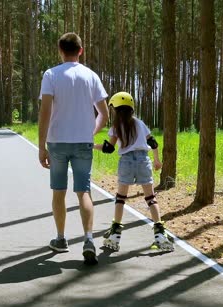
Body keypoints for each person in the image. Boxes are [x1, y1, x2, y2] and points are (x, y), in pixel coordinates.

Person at [38, 32, 109, 265]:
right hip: (83, 142)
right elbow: (104, 114)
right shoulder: (91, 76)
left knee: (59, 191)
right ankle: (89, 239)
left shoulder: (51, 75)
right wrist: (92, 131)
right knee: (84, 192)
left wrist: (41, 146)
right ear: (81, 50)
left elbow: (45, 111)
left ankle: (61, 239)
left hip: (57, 141)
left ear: (60, 50)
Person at [94, 92, 174, 252]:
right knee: (151, 198)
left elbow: (109, 148)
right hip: (144, 160)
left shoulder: (116, 126)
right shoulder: (139, 123)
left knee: (121, 199)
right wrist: (157, 160)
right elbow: (153, 142)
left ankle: (115, 237)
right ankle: (160, 236)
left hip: (127, 162)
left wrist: (91, 145)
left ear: (116, 109)